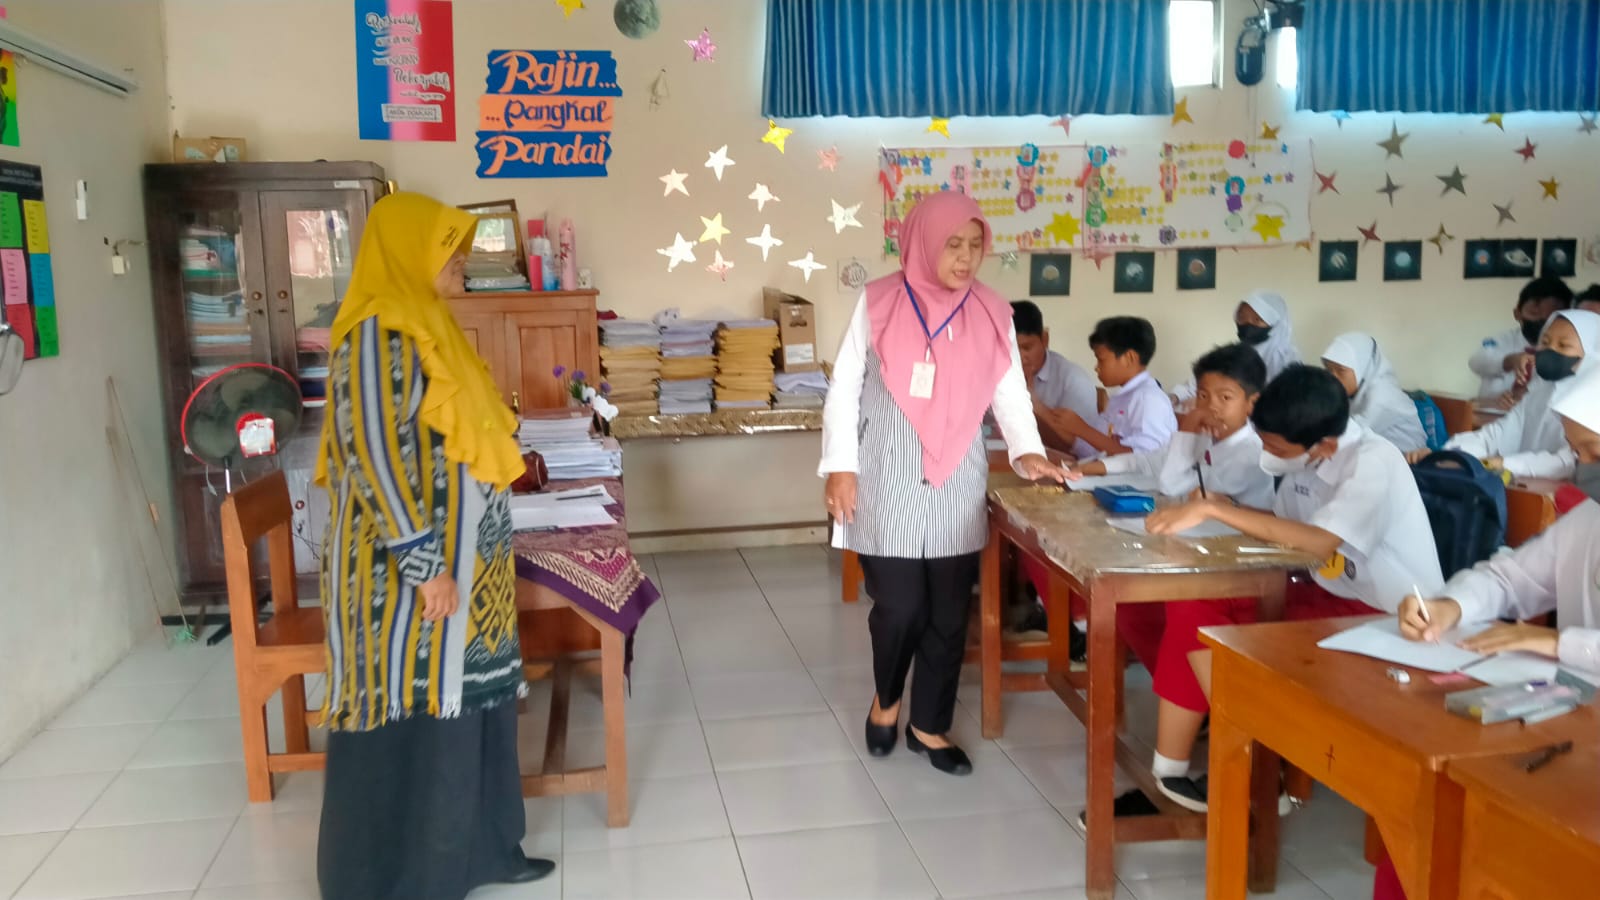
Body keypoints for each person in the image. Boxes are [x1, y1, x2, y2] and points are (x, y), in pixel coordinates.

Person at [314, 192, 554, 900]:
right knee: (413, 720)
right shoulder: (375, 334)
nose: (460, 263)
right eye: (449, 250)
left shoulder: (430, 324)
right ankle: (393, 878)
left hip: (468, 573)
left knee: (473, 712)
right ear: (408, 250)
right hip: (402, 579)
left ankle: (483, 851)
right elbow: (373, 456)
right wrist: (424, 566)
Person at [1092, 365, 1443, 817]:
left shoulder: (1374, 461)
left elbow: (1319, 542)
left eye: (1276, 448)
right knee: (1195, 601)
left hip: (1386, 615)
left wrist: (1213, 512)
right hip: (1324, 593)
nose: (1267, 453)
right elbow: (1284, 523)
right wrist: (1225, 505)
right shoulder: (1307, 453)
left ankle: (1257, 772)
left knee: (1232, 634)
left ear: (1325, 446)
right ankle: (1169, 772)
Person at [820, 190, 1066, 776]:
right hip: (887, 475)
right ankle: (886, 699)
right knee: (901, 607)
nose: (965, 257)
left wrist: (1029, 452)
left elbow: (1008, 391)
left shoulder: (993, 311)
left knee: (949, 615)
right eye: (952, 244)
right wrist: (841, 467)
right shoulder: (879, 301)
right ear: (924, 242)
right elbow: (845, 387)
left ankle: (928, 725)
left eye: (975, 245)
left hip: (957, 478)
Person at [1377, 367, 1600, 900]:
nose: (1583, 467)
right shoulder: (1589, 519)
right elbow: (1512, 577)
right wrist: (1451, 605)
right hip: (1575, 712)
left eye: (1593, 450)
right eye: (1576, 451)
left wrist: (1556, 642)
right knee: (1434, 801)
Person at [1072, 342, 1273, 509]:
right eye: (1203, 396)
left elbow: (1171, 486)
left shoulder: (1252, 455)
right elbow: (1147, 461)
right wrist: (1084, 468)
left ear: (1251, 403)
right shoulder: (1204, 437)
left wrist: (1188, 426)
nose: (1211, 406)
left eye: (1225, 397)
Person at [1427, 309, 1600, 479]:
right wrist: (1450, 455)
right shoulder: (1539, 391)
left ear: (1592, 353)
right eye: (1545, 342)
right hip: (1526, 485)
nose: (1550, 350)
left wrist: (1499, 463)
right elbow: (1494, 435)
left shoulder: (1590, 406)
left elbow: (1567, 462)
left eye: (1563, 345)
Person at [1048, 316, 1177, 462]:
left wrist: (1082, 429)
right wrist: (1074, 429)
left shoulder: (1149, 399)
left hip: (1136, 477)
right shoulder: (1120, 399)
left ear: (1129, 358)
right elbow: (1094, 449)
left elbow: (1145, 459)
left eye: (1101, 359)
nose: (1096, 367)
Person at [1171, 290, 1299, 405]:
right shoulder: (1235, 353)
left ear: (1276, 324)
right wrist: (1176, 396)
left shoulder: (1287, 358)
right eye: (1242, 318)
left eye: (1257, 319)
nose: (1248, 324)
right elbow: (1202, 380)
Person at [1468, 275, 1572, 405]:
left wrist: (1525, 394)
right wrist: (1509, 361)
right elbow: (1476, 361)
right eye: (1534, 313)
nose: (1541, 320)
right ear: (1517, 313)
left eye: (1550, 317)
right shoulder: (1503, 339)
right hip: (1490, 410)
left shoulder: (1566, 352)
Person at [1011, 299, 1099, 450]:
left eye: (1026, 347)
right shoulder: (994, 372)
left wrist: (1033, 403)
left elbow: (1082, 448)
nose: (1019, 357)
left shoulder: (1074, 380)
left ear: (1045, 339)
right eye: (1010, 349)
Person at [1320, 332, 1429, 453]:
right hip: (1377, 453)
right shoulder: (1354, 390)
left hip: (1410, 458)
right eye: (1329, 370)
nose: (1333, 378)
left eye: (1341, 371)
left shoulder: (1382, 395)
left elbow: (1350, 433)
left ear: (1361, 366)